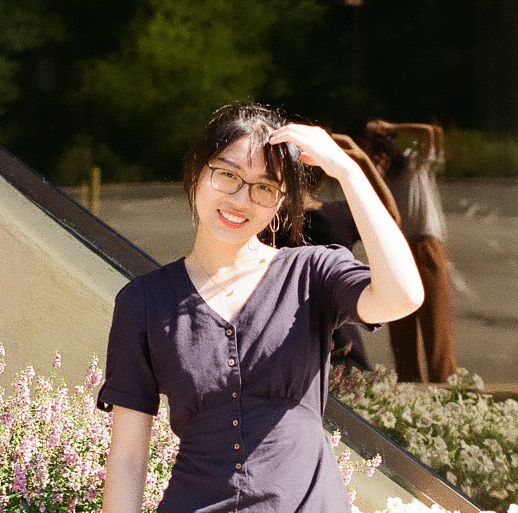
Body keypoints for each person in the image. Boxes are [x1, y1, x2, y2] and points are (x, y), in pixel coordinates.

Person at [97, 102, 424, 513]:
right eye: (227, 174)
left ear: (281, 203)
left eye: (264, 187)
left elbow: (404, 296)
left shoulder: (312, 273)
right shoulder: (143, 302)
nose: (240, 199)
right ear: (197, 172)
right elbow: (128, 460)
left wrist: (348, 172)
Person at [275, 133, 401, 371]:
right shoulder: (338, 217)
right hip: (339, 334)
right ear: (322, 174)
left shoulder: (268, 221)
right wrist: (360, 162)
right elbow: (390, 219)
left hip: (280, 330)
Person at [365, 119, 457, 383]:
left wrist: (391, 127)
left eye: (381, 154)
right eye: (374, 156)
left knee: (436, 322)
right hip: (397, 248)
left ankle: (445, 385)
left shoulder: (415, 163)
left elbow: (429, 132)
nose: (379, 160)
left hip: (425, 242)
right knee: (400, 323)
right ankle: (410, 386)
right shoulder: (377, 179)